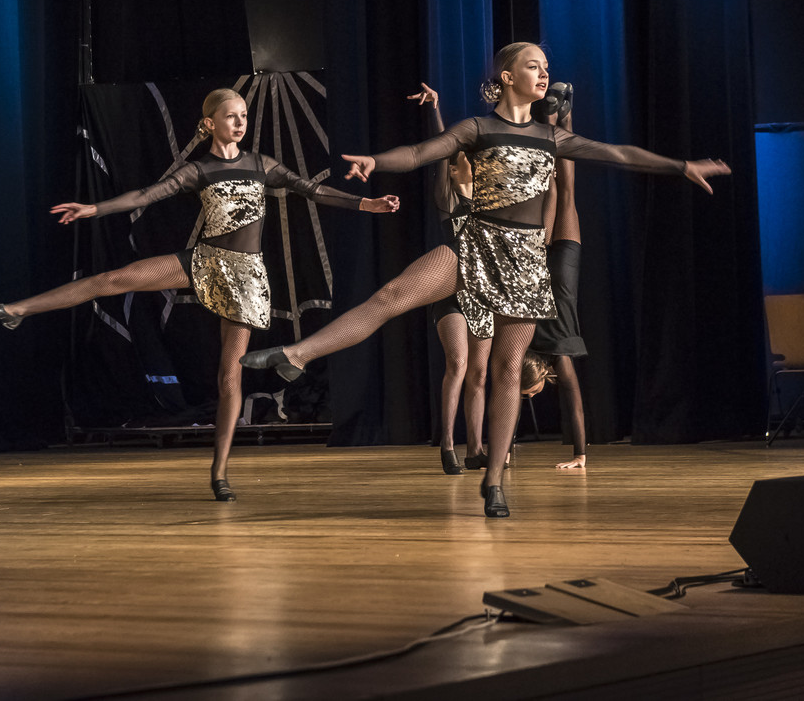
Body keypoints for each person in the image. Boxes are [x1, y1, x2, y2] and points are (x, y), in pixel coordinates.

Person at [243, 43, 729, 518]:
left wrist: (681, 166)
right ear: (506, 77)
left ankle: (493, 481)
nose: (544, 74)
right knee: (391, 295)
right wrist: (377, 161)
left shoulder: (551, 136)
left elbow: (618, 154)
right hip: (475, 241)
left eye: (545, 66)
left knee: (507, 370)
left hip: (524, 260)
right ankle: (297, 354)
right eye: (533, 66)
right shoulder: (477, 128)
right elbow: (419, 153)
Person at [0, 88, 398, 501]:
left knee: (229, 377)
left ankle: (219, 473)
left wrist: (366, 204)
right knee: (113, 279)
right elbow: (145, 195)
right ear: (210, 123)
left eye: (244, 116)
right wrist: (95, 208)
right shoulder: (199, 170)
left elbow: (313, 190)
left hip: (246, 277)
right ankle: (17, 309)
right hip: (204, 260)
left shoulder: (261, 164)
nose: (240, 123)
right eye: (231, 116)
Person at [408, 83, 492, 476]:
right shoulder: (448, 198)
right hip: (452, 293)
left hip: (483, 294)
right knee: (457, 363)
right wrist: (435, 109)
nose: (466, 163)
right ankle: (447, 443)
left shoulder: (489, 204)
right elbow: (442, 149)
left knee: (480, 373)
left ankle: (476, 448)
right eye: (460, 161)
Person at [530, 83, 592, 470]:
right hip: (540, 259)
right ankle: (555, 113)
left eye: (531, 392)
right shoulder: (518, 341)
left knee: (565, 190)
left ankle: (562, 113)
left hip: (562, 264)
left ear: (539, 375)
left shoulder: (560, 354)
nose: (533, 396)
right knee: (554, 187)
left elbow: (575, 404)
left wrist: (580, 456)